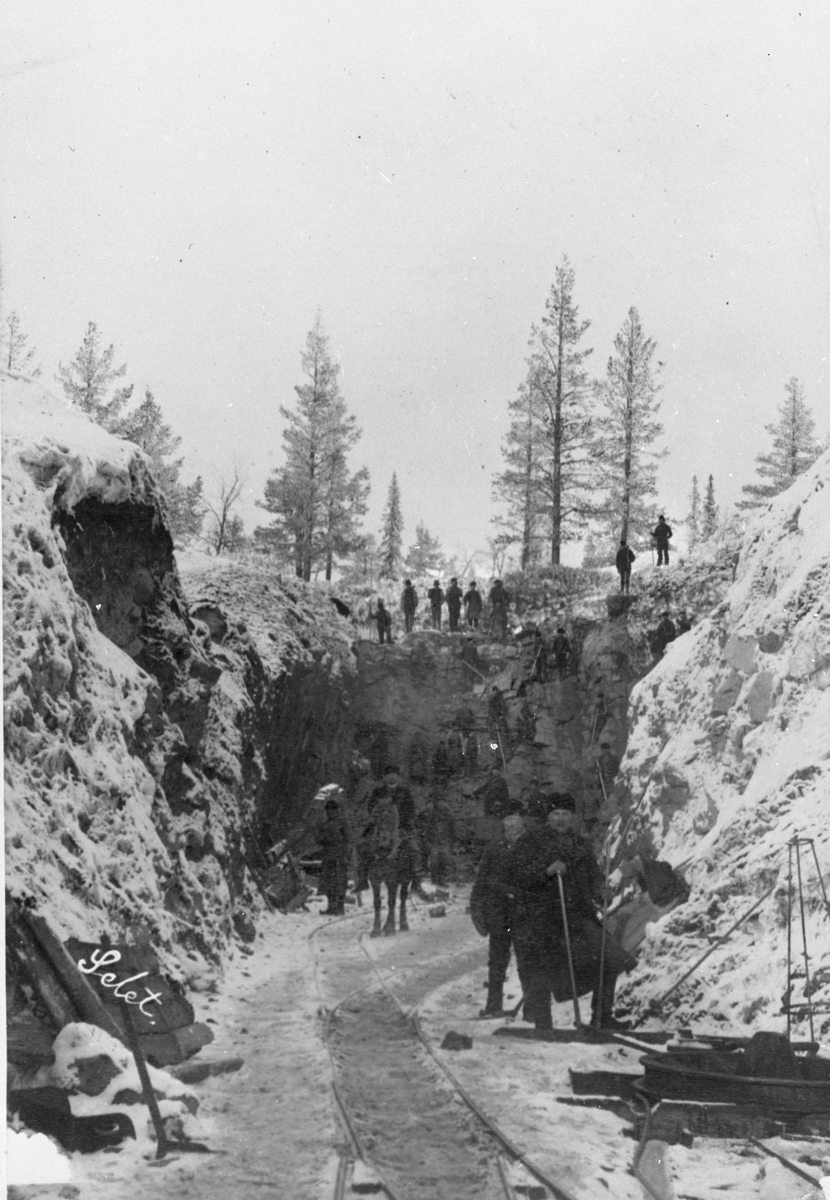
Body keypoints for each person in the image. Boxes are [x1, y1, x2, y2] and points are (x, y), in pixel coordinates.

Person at [509, 793, 635, 1031]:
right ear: (548, 817)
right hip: (542, 919)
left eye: (565, 814)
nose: (561, 819)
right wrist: (545, 871)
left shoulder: (579, 844)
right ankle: (543, 1023)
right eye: (556, 814)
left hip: (578, 917)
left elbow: (593, 876)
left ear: (572, 816)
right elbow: (517, 876)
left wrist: (601, 891)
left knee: (610, 958)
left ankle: (602, 1018)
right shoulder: (531, 842)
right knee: (543, 968)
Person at [470, 810, 527, 1017]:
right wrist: (476, 909)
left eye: (517, 830)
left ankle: (532, 1008)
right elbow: (481, 881)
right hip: (499, 914)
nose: (513, 833)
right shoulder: (494, 848)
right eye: (509, 830)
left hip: (523, 913)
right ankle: (493, 1005)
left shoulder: (532, 848)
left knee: (526, 960)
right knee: (497, 960)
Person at [317, 799, 351, 915]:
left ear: (337, 811)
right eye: (328, 810)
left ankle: (340, 907)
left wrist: (346, 854)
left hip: (340, 857)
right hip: (328, 856)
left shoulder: (342, 824)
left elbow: (349, 839)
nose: (330, 812)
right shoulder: (324, 825)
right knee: (329, 882)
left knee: (340, 882)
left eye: (333, 810)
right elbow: (319, 839)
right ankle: (331, 907)